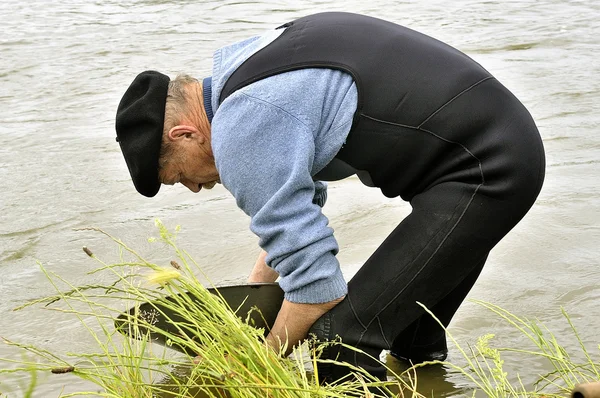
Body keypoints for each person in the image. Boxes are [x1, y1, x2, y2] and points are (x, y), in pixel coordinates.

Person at [115, 12, 545, 382]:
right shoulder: (252, 68)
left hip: (485, 172)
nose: (194, 187)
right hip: (500, 149)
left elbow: (318, 291)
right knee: (410, 344)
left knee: (339, 344)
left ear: (184, 134)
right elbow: (299, 207)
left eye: (177, 176)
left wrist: (252, 366)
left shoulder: (241, 125)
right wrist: (255, 293)